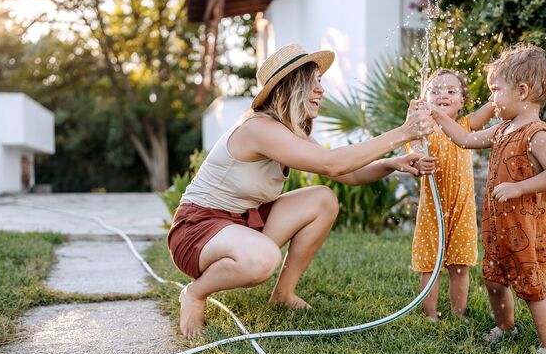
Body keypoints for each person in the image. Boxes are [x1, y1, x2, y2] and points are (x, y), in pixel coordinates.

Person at [168, 43, 437, 338]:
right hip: (198, 230)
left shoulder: (288, 132)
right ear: (291, 86)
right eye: (314, 82)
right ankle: (195, 293)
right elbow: (333, 164)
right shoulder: (259, 129)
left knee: (323, 199)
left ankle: (283, 294)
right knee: (263, 258)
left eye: (320, 82)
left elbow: (348, 173)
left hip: (241, 222)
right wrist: (403, 132)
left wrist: (393, 163)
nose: (321, 90)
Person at [430, 44, 546, 354]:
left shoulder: (537, 134)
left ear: (521, 91)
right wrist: (438, 115)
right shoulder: (502, 129)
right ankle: (506, 327)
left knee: (533, 289)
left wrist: (519, 188)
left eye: (496, 91)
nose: (492, 99)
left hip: (528, 229)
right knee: (493, 278)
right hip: (500, 225)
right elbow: (465, 139)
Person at [409, 69, 494, 322]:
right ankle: (431, 314)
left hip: (462, 209)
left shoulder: (466, 125)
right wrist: (418, 160)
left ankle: (458, 314)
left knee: (460, 265)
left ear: (462, 101)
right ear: (425, 99)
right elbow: (412, 154)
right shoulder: (422, 131)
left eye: (450, 91)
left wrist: (503, 86)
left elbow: (492, 107)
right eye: (434, 90)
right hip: (431, 211)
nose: (442, 95)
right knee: (430, 265)